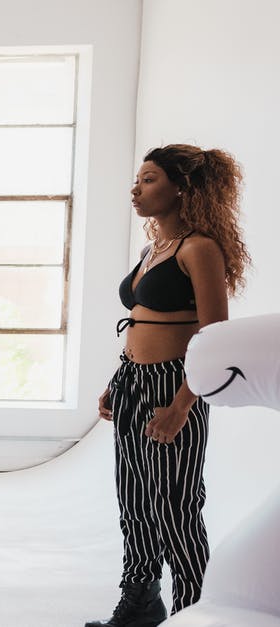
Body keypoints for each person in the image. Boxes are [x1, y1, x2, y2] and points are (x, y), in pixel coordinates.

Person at [88, 145, 249, 627]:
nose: (136, 188)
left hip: (175, 386)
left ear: (181, 187)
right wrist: (119, 380)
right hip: (136, 383)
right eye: (138, 179)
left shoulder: (199, 248)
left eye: (150, 178)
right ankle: (140, 600)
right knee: (135, 499)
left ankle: (193, 611)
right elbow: (140, 322)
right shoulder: (153, 247)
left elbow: (216, 338)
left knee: (176, 509)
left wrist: (181, 405)